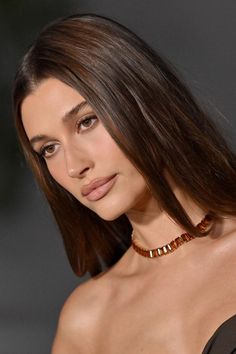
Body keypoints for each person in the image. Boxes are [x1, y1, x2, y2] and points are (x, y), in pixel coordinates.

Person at [13, 13, 236, 354]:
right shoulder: (87, 320)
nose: (74, 166)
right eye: (49, 149)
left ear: (144, 102)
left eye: (86, 121)